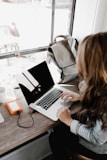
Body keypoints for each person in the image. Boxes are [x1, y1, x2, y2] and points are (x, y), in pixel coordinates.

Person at [49, 32, 107, 160]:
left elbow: (97, 139)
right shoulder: (101, 86)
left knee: (56, 136)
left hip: (99, 150)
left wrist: (69, 121)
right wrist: (81, 97)